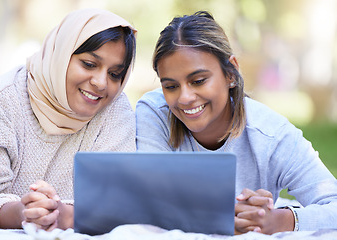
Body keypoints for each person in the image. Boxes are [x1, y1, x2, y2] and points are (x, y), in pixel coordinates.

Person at [0, 8, 137, 231]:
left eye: (115, 74)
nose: (101, 83)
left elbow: (118, 200)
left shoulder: (115, 109)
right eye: (89, 64)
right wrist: (24, 212)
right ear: (60, 54)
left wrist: (64, 215)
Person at [136, 11, 337, 235]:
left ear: (231, 72)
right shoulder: (155, 112)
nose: (184, 98)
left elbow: (333, 204)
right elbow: (147, 199)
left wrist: (278, 220)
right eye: (171, 86)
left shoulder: (271, 135)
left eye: (198, 81)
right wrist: (214, 216)